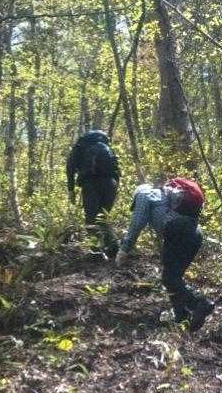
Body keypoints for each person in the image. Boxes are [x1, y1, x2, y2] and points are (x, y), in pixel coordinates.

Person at [115, 177, 214, 331]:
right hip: (195, 232)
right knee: (173, 277)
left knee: (169, 278)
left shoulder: (143, 195)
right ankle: (181, 316)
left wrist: (124, 249)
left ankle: (200, 302)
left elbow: (137, 222)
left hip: (178, 230)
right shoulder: (165, 197)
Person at [66, 129, 121, 258]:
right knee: (102, 217)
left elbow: (70, 168)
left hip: (91, 184)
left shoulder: (80, 147)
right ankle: (113, 248)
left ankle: (96, 252)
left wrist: (71, 190)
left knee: (91, 219)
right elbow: (116, 170)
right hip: (111, 183)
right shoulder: (107, 147)